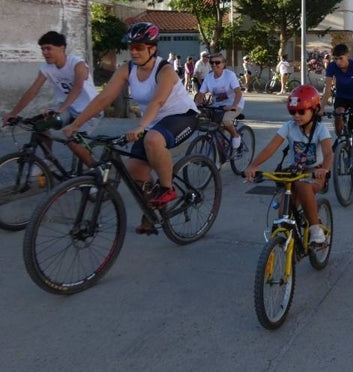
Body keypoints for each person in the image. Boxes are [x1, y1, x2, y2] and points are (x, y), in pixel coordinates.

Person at [63, 22, 199, 234]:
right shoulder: (127, 69)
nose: (133, 51)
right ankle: (153, 206)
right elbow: (104, 98)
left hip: (181, 116)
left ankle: (167, 189)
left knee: (152, 139)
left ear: (152, 49)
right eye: (131, 47)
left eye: (139, 47)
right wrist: (76, 124)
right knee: (134, 171)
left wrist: (141, 126)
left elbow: (157, 102)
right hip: (154, 122)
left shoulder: (165, 70)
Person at [244, 85, 332, 244]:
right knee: (283, 209)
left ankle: (315, 228)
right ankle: (286, 245)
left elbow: (328, 153)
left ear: (314, 109)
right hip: (294, 173)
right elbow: (271, 147)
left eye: (301, 112)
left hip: (315, 172)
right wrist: (253, 165)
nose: (296, 116)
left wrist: (325, 169)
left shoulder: (320, 130)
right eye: (292, 112)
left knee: (303, 186)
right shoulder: (289, 127)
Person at [3, 31, 101, 168]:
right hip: (68, 109)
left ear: (62, 47)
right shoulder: (46, 68)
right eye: (42, 49)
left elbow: (77, 88)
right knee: (40, 126)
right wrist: (14, 113)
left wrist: (60, 110)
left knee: (72, 140)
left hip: (89, 110)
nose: (45, 52)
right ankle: (49, 161)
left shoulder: (77, 64)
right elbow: (33, 91)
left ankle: (97, 172)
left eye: (48, 48)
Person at [320, 43, 353, 181]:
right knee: (338, 113)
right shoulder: (332, 67)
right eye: (335, 59)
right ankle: (342, 138)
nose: (338, 61)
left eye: (340, 58)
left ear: (347, 56)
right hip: (342, 98)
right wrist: (321, 107)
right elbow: (328, 89)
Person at [195, 53, 245, 151]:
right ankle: (219, 159)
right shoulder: (209, 77)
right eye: (211, 62)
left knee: (225, 120)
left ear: (224, 64)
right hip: (217, 106)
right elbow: (201, 94)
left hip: (234, 104)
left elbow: (238, 92)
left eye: (217, 62)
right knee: (211, 125)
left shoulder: (230, 75)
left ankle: (236, 136)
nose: (214, 64)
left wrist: (233, 106)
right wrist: (195, 106)